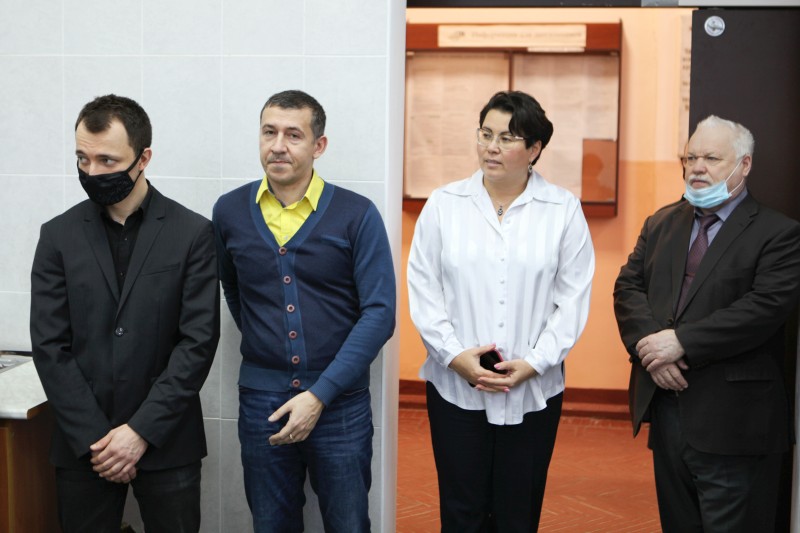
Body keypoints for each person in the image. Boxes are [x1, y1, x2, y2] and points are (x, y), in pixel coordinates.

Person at [29, 94, 221, 532]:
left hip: (168, 439)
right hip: (85, 445)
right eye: (83, 159)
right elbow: (50, 346)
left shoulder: (192, 233)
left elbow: (197, 342)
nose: (92, 172)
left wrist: (140, 432)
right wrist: (98, 439)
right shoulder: (58, 236)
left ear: (143, 158)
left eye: (107, 161)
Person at [407, 90, 595, 532]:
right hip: (455, 387)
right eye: (485, 134)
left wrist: (535, 363)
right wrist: (454, 356)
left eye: (507, 138)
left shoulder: (562, 210)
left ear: (534, 149)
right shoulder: (444, 204)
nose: (491, 147)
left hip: (533, 389)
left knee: (518, 511)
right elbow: (424, 289)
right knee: (461, 510)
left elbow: (572, 300)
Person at [212, 89, 396, 533]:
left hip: (341, 403)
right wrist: (265, 342)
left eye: (293, 135)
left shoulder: (357, 214)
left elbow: (379, 313)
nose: (278, 145)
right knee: (271, 523)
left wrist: (321, 393)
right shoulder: (229, 211)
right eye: (269, 132)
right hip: (262, 401)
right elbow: (233, 287)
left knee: (348, 524)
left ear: (319, 145)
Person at [613, 115, 800, 532]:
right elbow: (628, 288)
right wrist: (654, 349)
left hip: (735, 422)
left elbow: (764, 308)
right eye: (691, 157)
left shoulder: (778, 233)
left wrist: (681, 342)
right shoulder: (661, 223)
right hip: (667, 409)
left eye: (712, 158)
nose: (697, 167)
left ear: (744, 165)